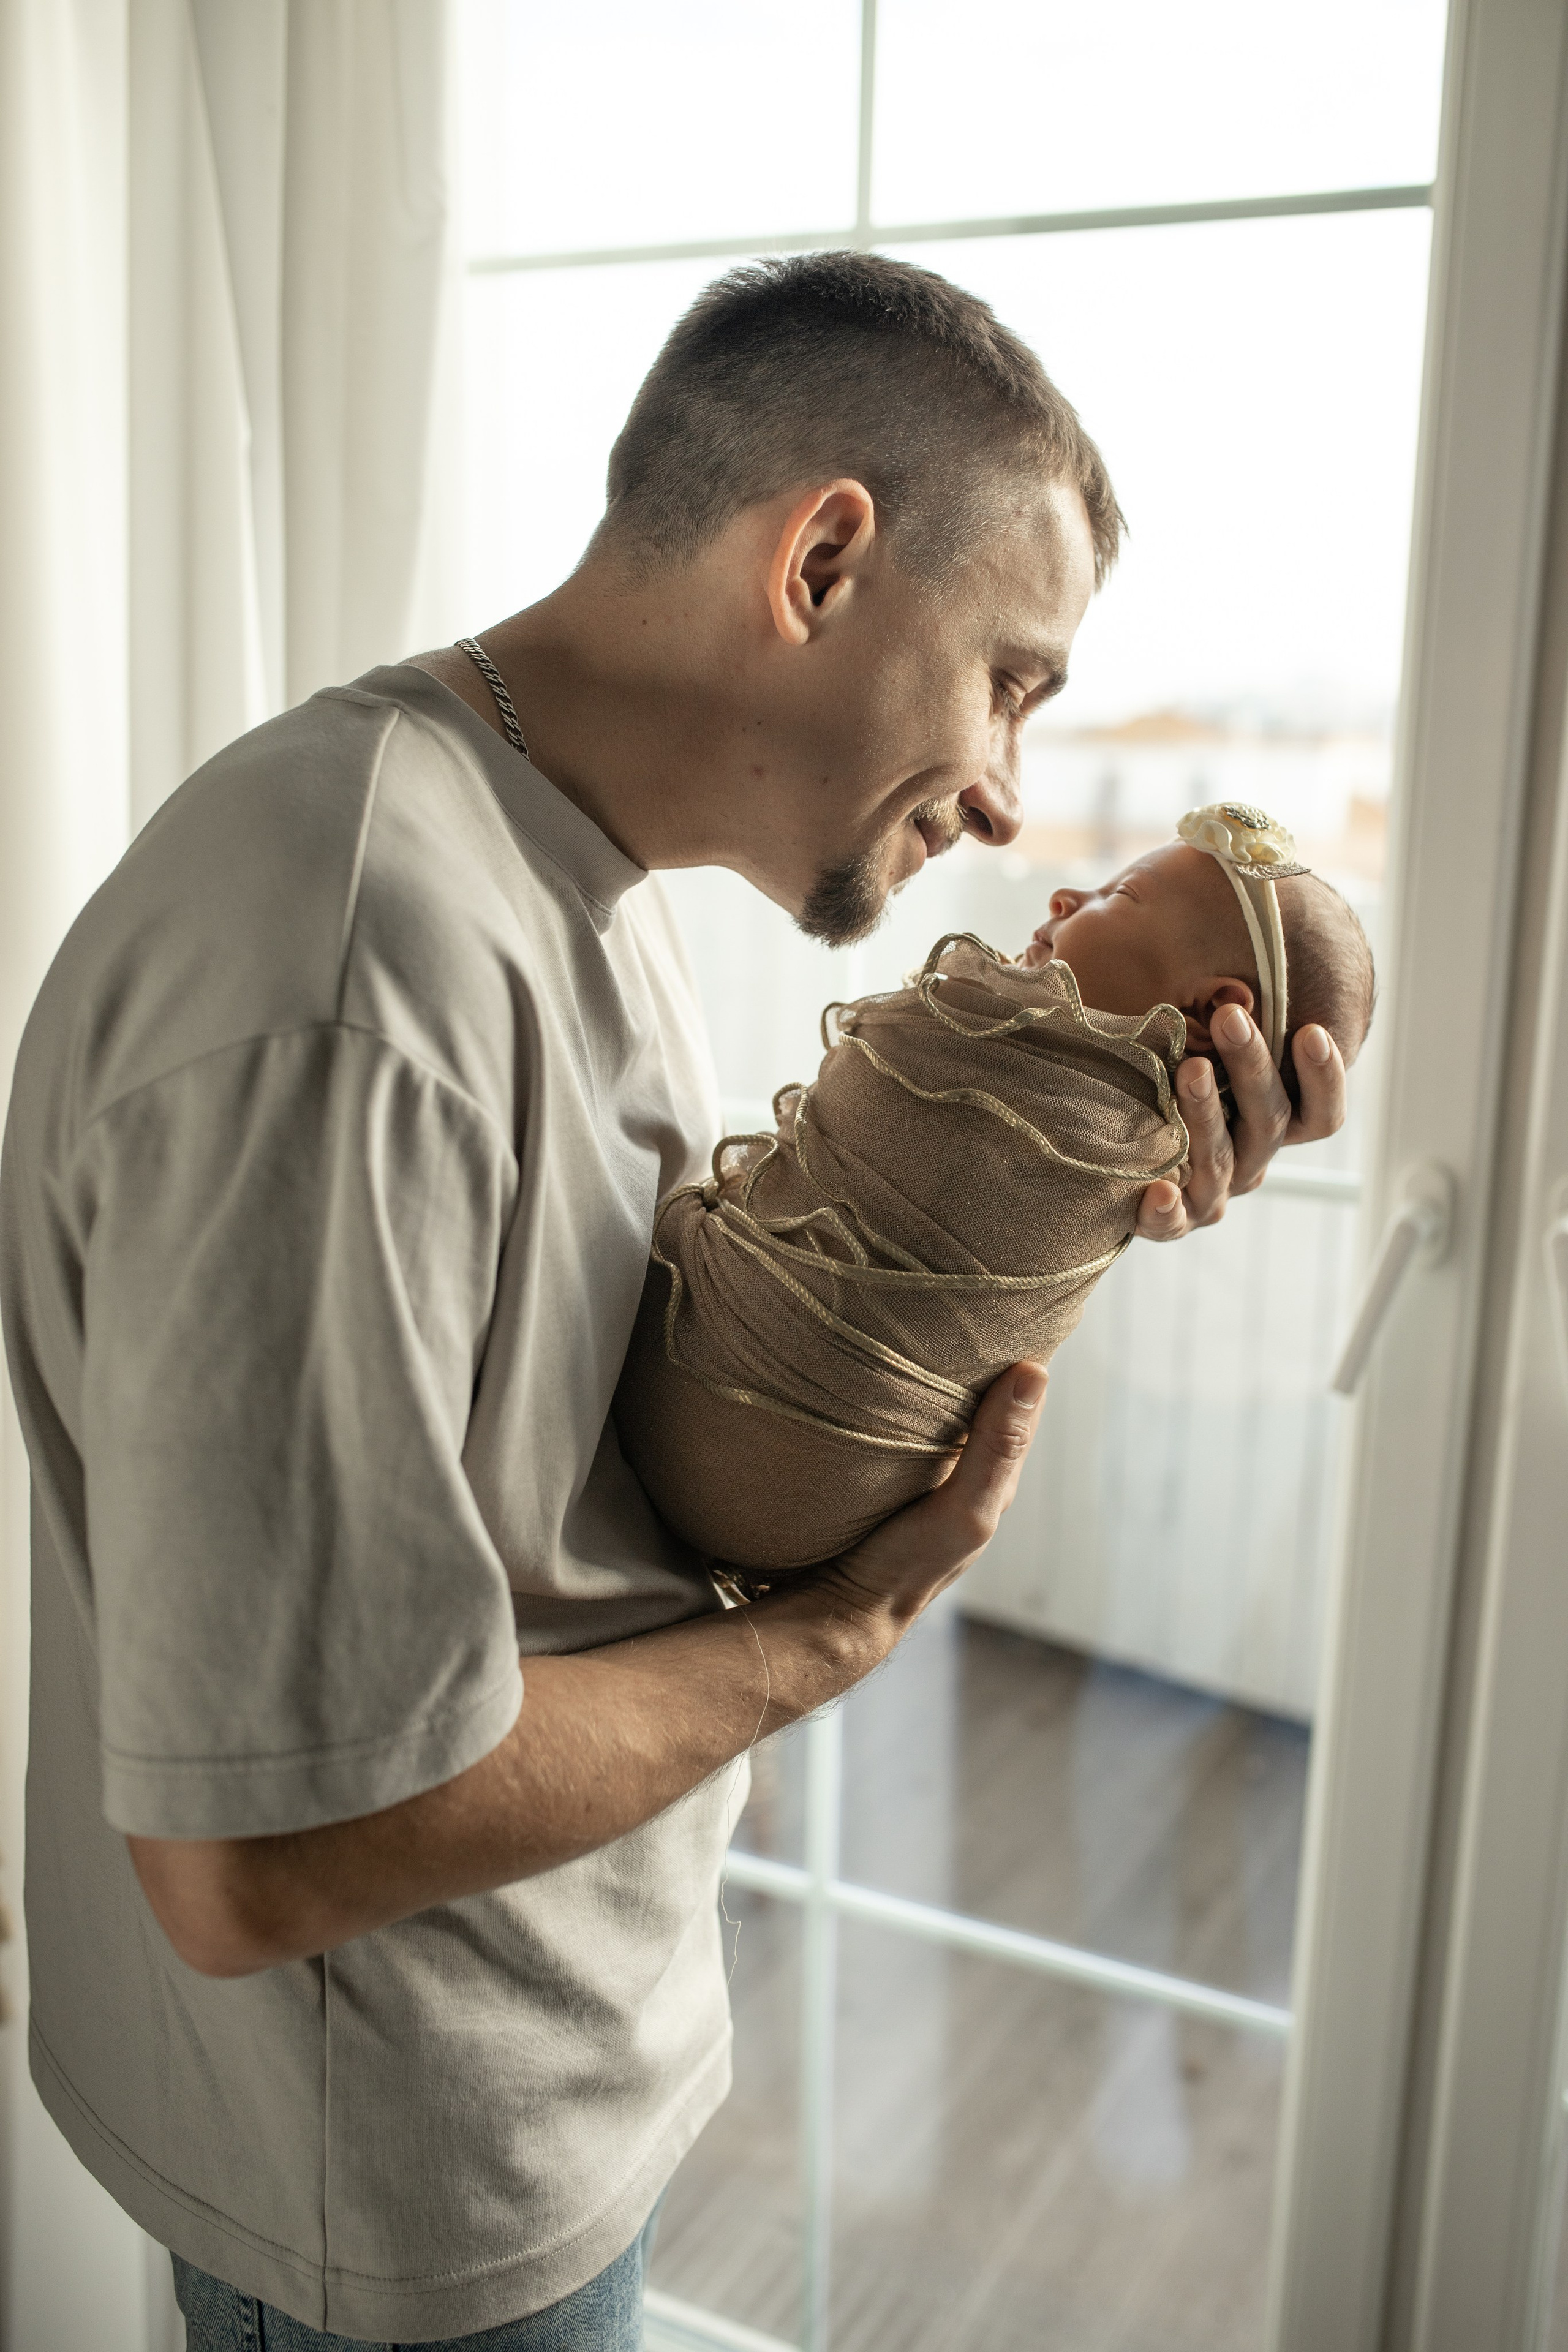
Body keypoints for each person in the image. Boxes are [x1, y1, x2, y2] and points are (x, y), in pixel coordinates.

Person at [0, 254, 1346, 2350]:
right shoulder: (345, 973)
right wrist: (835, 1639)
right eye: (1011, 680)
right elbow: (260, 1852)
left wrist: (1052, 1201)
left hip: (533, 2094)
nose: (1011, 793)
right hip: (401, 2209)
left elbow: (633, 1417)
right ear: (821, 562)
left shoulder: (570, 865)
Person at [616, 804, 1374, 1572]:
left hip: (713, 1394)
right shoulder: (1146, 1156)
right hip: (813, 1511)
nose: (1065, 898)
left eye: (1121, 894)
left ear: (1210, 1012)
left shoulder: (1089, 1121)